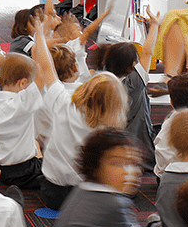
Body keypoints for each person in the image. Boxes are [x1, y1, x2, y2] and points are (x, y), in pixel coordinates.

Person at [0, 14, 58, 190]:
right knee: (58, 170)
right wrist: (40, 34)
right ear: (22, 83)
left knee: (36, 147)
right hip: (24, 169)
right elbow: (44, 70)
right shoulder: (23, 101)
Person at [37, 72, 127, 209]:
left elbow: (45, 66)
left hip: (52, 193)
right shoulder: (109, 131)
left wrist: (38, 48)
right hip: (86, 197)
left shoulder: (63, 102)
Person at [100, 43, 154, 168]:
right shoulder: (135, 84)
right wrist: (155, 24)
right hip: (137, 142)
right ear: (134, 65)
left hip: (110, 141)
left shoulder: (102, 82)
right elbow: (148, 52)